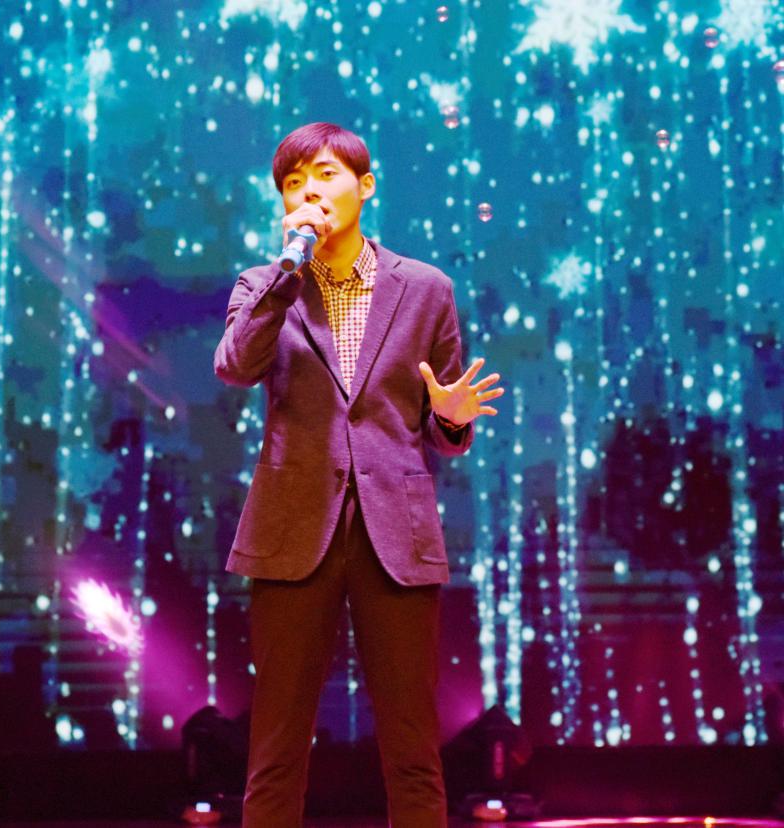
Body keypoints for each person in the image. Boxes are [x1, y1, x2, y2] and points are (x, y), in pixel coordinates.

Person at [213, 122, 503, 828]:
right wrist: (288, 272)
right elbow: (235, 366)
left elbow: (439, 425)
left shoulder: (426, 289)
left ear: (365, 186)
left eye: (325, 175)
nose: (308, 192)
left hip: (395, 535)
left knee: (412, 749)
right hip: (293, 531)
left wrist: (452, 419)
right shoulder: (261, 285)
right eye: (293, 183)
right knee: (276, 750)